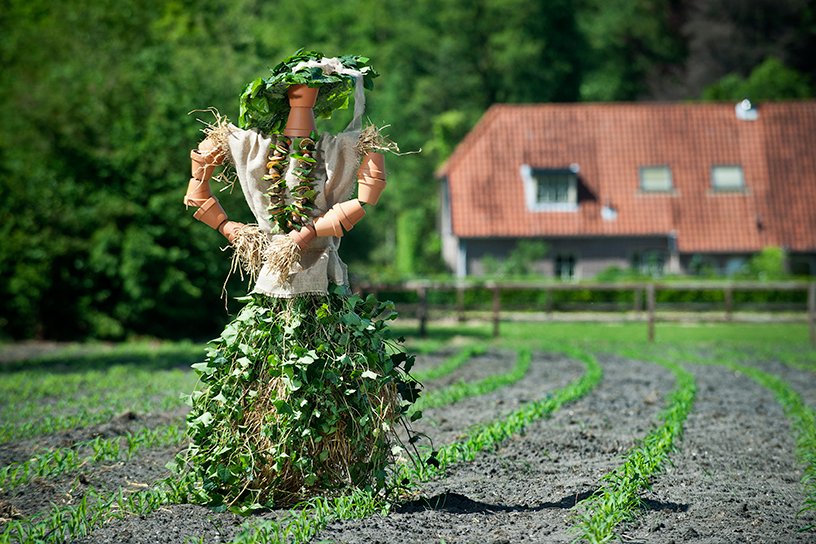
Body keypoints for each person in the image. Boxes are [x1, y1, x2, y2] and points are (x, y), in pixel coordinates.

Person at [178, 51, 419, 510]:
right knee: (261, 377)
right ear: (280, 94)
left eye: (310, 90)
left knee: (336, 376)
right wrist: (233, 229)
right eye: (294, 90)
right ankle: (263, 472)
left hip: (320, 274)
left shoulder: (336, 148)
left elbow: (367, 197)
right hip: (272, 273)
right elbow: (196, 188)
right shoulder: (251, 146)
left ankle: (331, 470)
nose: (302, 96)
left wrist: (310, 231)